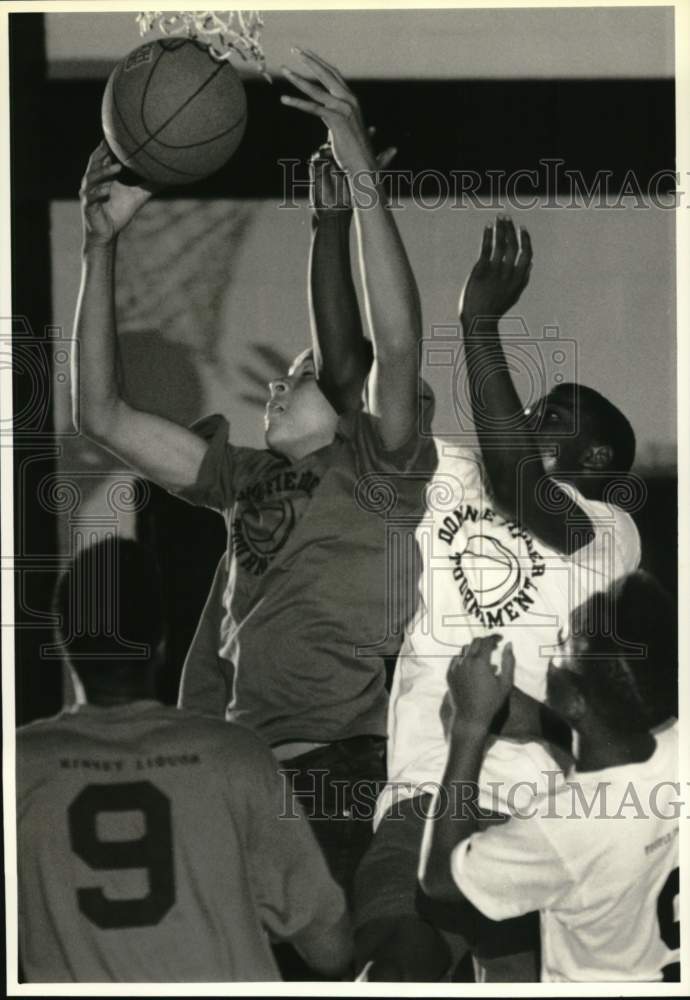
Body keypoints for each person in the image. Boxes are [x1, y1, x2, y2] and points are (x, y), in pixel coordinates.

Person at [72, 47, 436, 898]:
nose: (279, 379)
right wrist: (100, 251)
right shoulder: (241, 479)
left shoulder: (382, 469)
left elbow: (396, 337)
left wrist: (352, 167)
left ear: (350, 411)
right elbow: (103, 418)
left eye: (301, 374)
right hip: (229, 776)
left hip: (333, 774)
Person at [354, 217, 642, 980]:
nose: (524, 418)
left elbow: (522, 482)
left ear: (598, 456)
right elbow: (373, 362)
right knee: (401, 964)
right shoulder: (452, 471)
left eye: (551, 417)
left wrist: (479, 327)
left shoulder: (608, 528)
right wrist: (343, 207)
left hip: (537, 810)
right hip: (425, 785)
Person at [16, 538, 352, 982]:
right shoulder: (234, 755)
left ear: (62, 643)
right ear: (160, 639)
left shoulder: (18, 766)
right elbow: (332, 949)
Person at [419, 571, 679, 983]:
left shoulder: (562, 826)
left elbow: (440, 879)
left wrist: (469, 727)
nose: (549, 651)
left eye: (560, 644)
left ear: (575, 700)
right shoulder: (677, 747)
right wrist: (537, 719)